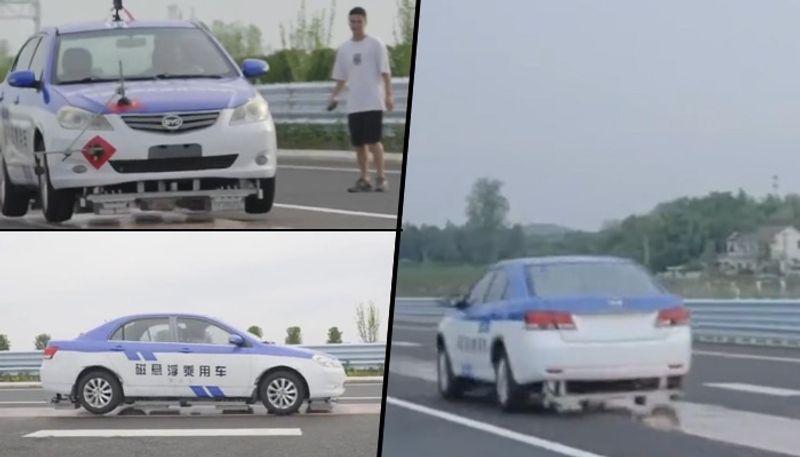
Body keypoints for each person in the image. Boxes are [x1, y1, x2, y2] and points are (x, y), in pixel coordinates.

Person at [330, 7, 394, 193]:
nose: (355, 25)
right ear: (348, 23)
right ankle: (364, 178)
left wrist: (389, 95)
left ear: (365, 22)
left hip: (373, 100)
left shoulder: (375, 44)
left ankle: (381, 177)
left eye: (359, 21)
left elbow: (385, 72)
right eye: (352, 21)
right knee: (359, 144)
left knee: (374, 141)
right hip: (355, 103)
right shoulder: (344, 49)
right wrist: (334, 95)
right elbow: (341, 77)